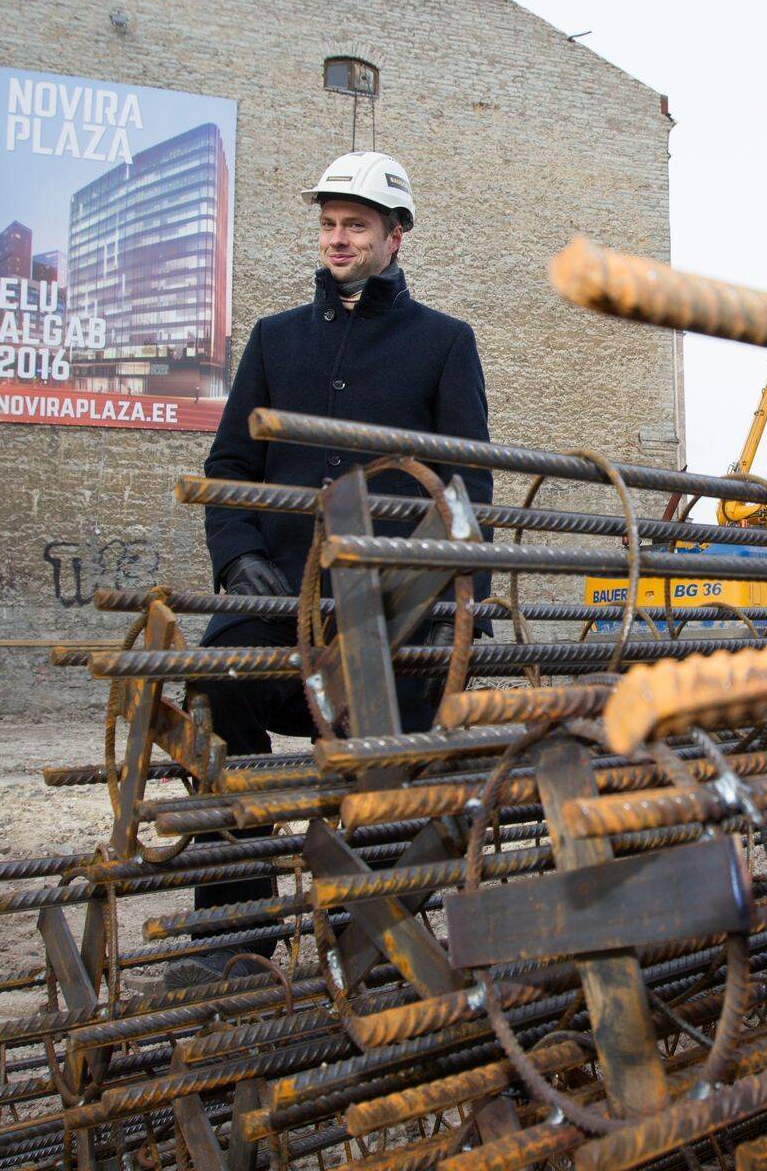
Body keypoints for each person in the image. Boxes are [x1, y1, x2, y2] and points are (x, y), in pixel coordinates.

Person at [175, 152, 492, 984]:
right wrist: (239, 552)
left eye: (356, 224)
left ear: (396, 236)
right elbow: (231, 464)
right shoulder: (277, 340)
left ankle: (376, 940)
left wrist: (464, 607)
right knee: (214, 687)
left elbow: (469, 489)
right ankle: (237, 936)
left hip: (394, 604)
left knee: (393, 741)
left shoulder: (444, 344)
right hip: (279, 594)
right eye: (328, 223)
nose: (339, 238)